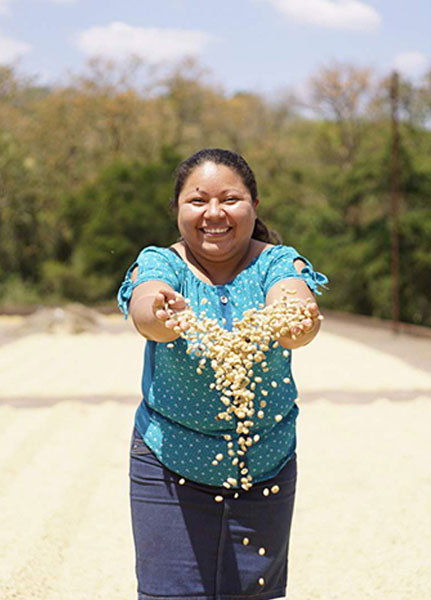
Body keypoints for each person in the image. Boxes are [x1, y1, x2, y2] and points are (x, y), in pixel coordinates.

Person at [117, 148, 328, 600]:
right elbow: (145, 306)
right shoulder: (164, 264)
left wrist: (295, 317)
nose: (214, 213)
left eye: (230, 199)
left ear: (254, 204)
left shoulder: (276, 262)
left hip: (265, 467)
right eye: (198, 201)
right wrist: (159, 309)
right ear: (177, 209)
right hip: (168, 465)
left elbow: (292, 304)